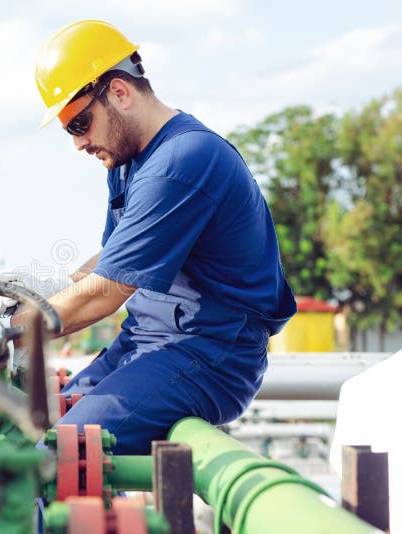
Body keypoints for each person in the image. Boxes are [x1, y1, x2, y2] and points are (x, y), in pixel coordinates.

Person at [24, 20, 297, 454]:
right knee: (23, 430)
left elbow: (103, 294)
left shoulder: (184, 159)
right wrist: (35, 292)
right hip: (145, 342)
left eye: (79, 124)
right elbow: (113, 260)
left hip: (206, 355)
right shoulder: (127, 163)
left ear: (119, 92)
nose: (78, 144)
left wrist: (10, 330)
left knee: (52, 457)